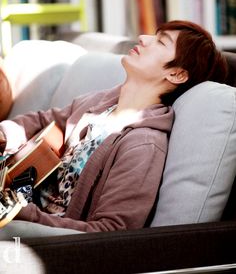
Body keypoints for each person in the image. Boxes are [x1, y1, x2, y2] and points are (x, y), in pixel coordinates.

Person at [0, 20, 228, 234]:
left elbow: (111, 231)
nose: (143, 38)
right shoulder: (102, 102)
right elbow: (43, 120)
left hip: (41, 235)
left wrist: (23, 214)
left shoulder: (142, 146)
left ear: (176, 74)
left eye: (161, 41)